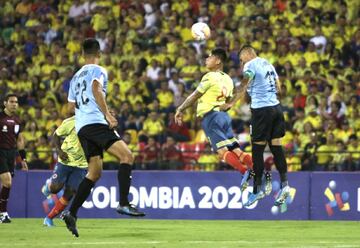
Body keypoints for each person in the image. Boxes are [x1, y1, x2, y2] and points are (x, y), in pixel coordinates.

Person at [61, 38, 144, 237]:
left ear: (82, 54)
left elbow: (71, 107)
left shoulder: (74, 77)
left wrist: (98, 108)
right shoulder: (99, 70)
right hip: (96, 123)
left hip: (82, 127)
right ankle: (123, 203)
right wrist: (106, 113)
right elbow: (96, 89)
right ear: (99, 53)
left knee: (94, 172)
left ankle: (71, 212)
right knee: (127, 156)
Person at [175, 48, 253, 189]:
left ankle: (244, 172)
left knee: (222, 152)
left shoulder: (209, 76)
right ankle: (258, 169)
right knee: (236, 150)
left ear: (218, 61)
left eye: (210, 57)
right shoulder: (228, 79)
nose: (206, 59)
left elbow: (194, 95)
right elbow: (229, 100)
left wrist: (180, 108)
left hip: (211, 117)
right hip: (224, 117)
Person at [224, 45, 289, 206]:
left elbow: (245, 82)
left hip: (261, 111)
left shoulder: (250, 65)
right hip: (276, 109)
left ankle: (256, 190)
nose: (241, 63)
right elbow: (279, 88)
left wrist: (231, 102)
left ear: (247, 54)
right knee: (276, 147)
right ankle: (285, 186)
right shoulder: (268, 64)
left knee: (257, 150)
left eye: (240, 59)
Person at [41, 116, 87, 227]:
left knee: (69, 193)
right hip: (65, 160)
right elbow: (56, 135)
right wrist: (59, 151)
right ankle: (48, 186)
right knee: (55, 189)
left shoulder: (96, 123)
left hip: (81, 164)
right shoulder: (72, 121)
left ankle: (49, 218)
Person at [0, 94, 28, 223]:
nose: (14, 104)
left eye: (16, 102)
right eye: (11, 101)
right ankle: (3, 213)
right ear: (5, 103)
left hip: (11, 154)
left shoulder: (17, 120)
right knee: (7, 182)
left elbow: (20, 140)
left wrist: (23, 159)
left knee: (7, 184)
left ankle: (2, 213)